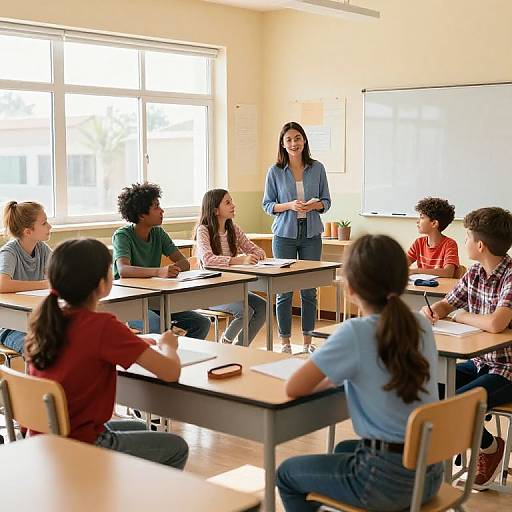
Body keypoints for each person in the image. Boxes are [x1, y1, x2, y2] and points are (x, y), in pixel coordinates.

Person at [277, 234, 443, 511]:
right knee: (344, 449)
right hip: (430, 472)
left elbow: (294, 388)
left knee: (287, 474)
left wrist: (333, 378)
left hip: (388, 482)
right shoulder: (420, 324)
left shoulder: (354, 332)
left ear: (350, 287)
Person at [25, 238, 188, 468]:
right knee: (177, 447)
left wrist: (133, 340)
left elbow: (84, 349)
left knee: (139, 427)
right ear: (102, 284)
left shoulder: (47, 320)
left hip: (46, 439)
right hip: (80, 445)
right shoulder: (103, 326)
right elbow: (170, 372)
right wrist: (168, 345)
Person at [421, 206, 512, 488]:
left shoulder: (510, 275)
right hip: (479, 361)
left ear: (480, 245)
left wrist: (459, 316)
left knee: (455, 404)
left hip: (506, 370)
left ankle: (487, 449)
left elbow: (497, 323)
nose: (465, 242)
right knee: (427, 390)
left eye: (467, 237)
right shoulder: (474, 272)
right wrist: (435, 310)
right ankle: (480, 446)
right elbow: (449, 301)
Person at [262, 122, 331, 354]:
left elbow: (327, 202)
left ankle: (308, 341)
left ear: (304, 141)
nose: (294, 143)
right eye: (289, 139)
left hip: (311, 233)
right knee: (284, 291)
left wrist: (314, 205)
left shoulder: (317, 168)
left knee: (309, 290)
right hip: (284, 235)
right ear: (283, 143)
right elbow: (268, 205)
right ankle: (285, 342)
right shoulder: (275, 171)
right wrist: (290, 205)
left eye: (298, 138)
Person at [112, 182, 210, 338]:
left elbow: (184, 263)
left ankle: (177, 357)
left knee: (202, 323)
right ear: (141, 215)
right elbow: (124, 270)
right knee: (158, 325)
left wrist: (172, 270)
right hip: (129, 302)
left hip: (156, 299)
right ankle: (162, 359)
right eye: (156, 207)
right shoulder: (122, 236)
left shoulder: (158, 233)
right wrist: (159, 271)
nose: (162, 210)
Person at [195, 189, 267, 345]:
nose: (233, 205)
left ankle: (240, 347)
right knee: (245, 311)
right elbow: (208, 260)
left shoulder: (233, 229)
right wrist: (238, 260)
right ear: (215, 210)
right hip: (210, 291)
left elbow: (255, 249)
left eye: (232, 201)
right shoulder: (203, 230)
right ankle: (225, 342)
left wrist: (258, 254)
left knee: (263, 306)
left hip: (232, 288)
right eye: (227, 202)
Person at [0, 201, 52, 354]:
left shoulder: (42, 249)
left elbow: (57, 276)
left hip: (35, 321)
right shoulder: (9, 252)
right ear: (28, 231)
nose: (50, 226)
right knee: (39, 349)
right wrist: (44, 284)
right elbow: (2, 285)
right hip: (8, 326)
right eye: (44, 223)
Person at [407, 197, 459, 277]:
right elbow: (402, 265)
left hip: (441, 288)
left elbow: (448, 273)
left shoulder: (449, 244)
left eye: (422, 217)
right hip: (422, 288)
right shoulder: (418, 243)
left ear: (434, 223)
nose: (418, 221)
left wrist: (417, 271)